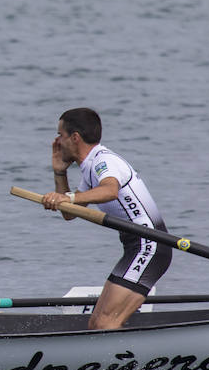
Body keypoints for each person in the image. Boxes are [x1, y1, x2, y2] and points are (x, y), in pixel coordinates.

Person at [40, 108, 171, 330]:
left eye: (60, 135)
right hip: (135, 248)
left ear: (75, 137)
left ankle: (134, 364)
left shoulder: (104, 161)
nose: (57, 142)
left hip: (149, 246)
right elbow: (70, 213)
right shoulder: (90, 168)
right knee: (96, 324)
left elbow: (110, 190)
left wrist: (67, 197)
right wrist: (59, 173)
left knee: (104, 324)